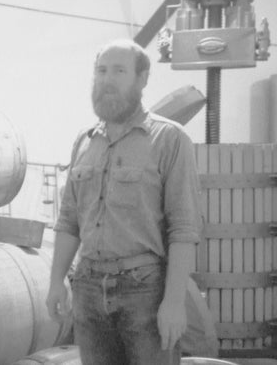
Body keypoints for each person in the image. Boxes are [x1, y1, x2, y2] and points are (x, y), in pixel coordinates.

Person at [46, 39, 202, 365]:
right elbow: (69, 220)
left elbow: (184, 229)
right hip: (87, 287)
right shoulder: (84, 142)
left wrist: (173, 302)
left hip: (144, 290)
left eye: (119, 71)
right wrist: (56, 281)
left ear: (142, 79)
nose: (107, 79)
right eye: (101, 71)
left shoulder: (169, 140)